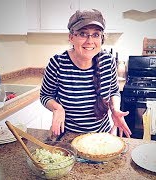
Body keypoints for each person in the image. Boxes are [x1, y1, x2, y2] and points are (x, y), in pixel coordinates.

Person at [40, 9, 132, 138]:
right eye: (83, 34)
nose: (90, 41)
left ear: (101, 38)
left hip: (101, 136)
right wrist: (57, 108)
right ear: (71, 37)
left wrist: (115, 110)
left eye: (96, 34)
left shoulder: (108, 61)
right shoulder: (58, 63)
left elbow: (114, 92)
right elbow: (45, 95)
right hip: (68, 135)